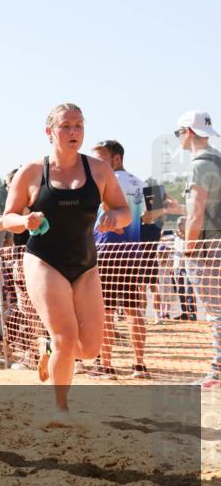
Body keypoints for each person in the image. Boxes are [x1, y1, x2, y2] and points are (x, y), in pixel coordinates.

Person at [2, 103, 131, 424]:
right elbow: (7, 218)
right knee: (65, 335)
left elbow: (124, 211)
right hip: (44, 261)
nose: (74, 132)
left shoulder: (99, 170)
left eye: (79, 125)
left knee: (88, 348)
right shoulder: (32, 172)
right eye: (66, 126)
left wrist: (115, 217)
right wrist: (25, 219)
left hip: (85, 264)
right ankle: (60, 408)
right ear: (50, 132)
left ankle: (49, 350)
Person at [89, 140, 151, 380]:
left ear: (116, 158)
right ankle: (139, 365)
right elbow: (151, 216)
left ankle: (106, 365)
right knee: (134, 310)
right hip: (134, 253)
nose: (95, 163)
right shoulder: (140, 182)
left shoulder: (105, 180)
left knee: (103, 311)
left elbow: (103, 207)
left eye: (100, 158)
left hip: (107, 252)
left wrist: (112, 220)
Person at [174, 110, 221, 389]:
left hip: (208, 248)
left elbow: (196, 214)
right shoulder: (217, 160)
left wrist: (189, 249)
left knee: (216, 312)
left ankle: (217, 372)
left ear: (188, 132)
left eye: (179, 133)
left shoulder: (197, 166)